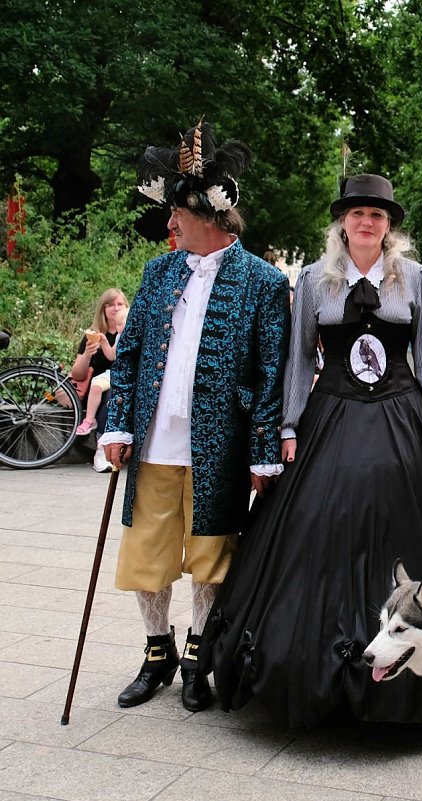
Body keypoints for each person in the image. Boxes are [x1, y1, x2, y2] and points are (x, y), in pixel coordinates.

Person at [198, 174, 422, 727]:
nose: (366, 222)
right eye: (356, 213)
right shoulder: (314, 280)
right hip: (332, 413)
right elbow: (300, 359)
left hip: (400, 416)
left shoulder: (414, 279)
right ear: (342, 222)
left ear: (389, 223)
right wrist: (289, 424)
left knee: (401, 519)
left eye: (376, 214)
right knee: (318, 517)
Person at [99, 121, 290, 712]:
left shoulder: (260, 281)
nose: (169, 225)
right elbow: (128, 355)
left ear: (205, 216)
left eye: (176, 216)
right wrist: (119, 423)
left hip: (220, 448)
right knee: (147, 554)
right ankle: (156, 651)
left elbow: (270, 373)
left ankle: (199, 653)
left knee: (211, 555)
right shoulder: (158, 273)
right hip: (154, 443)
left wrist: (262, 449)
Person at [76, 306, 128, 437]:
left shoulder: (134, 338)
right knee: (96, 384)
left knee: (110, 399)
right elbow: (112, 355)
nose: (117, 328)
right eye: (116, 325)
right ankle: (89, 420)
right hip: (115, 373)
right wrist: (104, 342)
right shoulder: (119, 337)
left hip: (126, 375)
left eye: (120, 324)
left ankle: (102, 440)